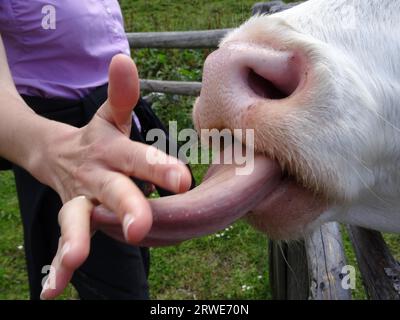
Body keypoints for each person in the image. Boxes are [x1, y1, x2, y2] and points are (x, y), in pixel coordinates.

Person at [0, 1, 193, 300]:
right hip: (61, 128)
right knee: (119, 284)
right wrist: (55, 151)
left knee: (132, 244)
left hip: (114, 120)